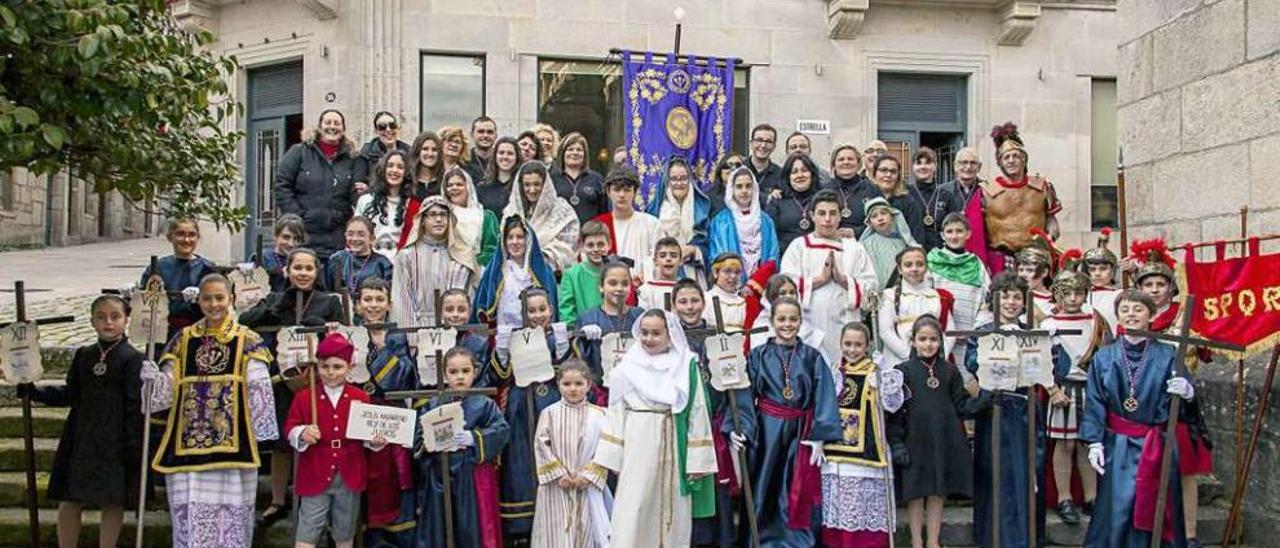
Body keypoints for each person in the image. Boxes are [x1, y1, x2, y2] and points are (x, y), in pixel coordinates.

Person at [144, 274, 278, 547]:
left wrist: (260, 427)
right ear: (199, 300)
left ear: (231, 299)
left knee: (229, 526)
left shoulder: (247, 339)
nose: (214, 304)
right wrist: (153, 380)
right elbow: (165, 393)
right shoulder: (183, 339)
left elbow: (259, 388)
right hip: (186, 446)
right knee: (190, 522)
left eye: (220, 297)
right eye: (207, 298)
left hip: (233, 445)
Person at [19, 294, 143, 548]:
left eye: (115, 316)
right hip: (82, 437)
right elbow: (70, 393)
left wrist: (134, 445)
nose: (108, 322)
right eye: (101, 317)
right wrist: (34, 391)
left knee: (112, 501)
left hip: (115, 440)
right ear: (92, 322)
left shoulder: (133, 358)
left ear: (126, 320)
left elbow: (134, 406)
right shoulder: (84, 355)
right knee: (70, 500)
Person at [591, 308, 717, 546]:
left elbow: (697, 411)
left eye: (656, 333)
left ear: (669, 334)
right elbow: (616, 411)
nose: (649, 339)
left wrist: (696, 459)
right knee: (634, 505)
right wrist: (614, 457)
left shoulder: (685, 365)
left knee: (671, 508)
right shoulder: (627, 367)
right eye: (645, 333)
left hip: (672, 441)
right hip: (637, 444)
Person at [239, 248, 346, 527]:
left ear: (316, 272)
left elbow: (342, 339)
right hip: (284, 380)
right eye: (297, 267)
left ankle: (314, 494)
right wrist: (270, 310)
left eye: (308, 268)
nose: (302, 273)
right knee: (282, 442)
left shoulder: (328, 301)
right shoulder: (276, 298)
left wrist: (321, 330)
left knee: (315, 437)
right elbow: (245, 322)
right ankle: (277, 500)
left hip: (318, 378)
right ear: (287, 270)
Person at [1081, 290, 1195, 548]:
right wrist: (1094, 442)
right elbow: (1095, 400)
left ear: (1152, 314)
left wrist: (1187, 392)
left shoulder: (1168, 355)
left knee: (1156, 506)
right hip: (1117, 447)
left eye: (1138, 309)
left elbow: (1184, 407)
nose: (1131, 314)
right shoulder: (1104, 357)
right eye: (1125, 309)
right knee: (1117, 507)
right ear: (1118, 315)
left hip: (1156, 445)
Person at [726, 297, 841, 546]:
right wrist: (740, 427)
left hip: (801, 433)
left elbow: (824, 394)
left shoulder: (812, 357)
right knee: (764, 487)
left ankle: (797, 541)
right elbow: (745, 396)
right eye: (782, 319)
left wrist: (820, 434)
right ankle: (758, 540)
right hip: (767, 431)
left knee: (794, 491)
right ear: (772, 321)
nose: (787, 324)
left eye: (793, 319)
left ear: (800, 322)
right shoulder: (757, 356)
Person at [1129, 238, 1213, 548]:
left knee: (1186, 472)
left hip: (1181, 401)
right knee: (1147, 471)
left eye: (1160, 284)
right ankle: (1151, 529)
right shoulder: (1135, 316)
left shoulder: (1186, 314)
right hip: (1146, 405)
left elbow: (1205, 352)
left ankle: (1189, 533)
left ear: (1170, 287)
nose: (1154, 289)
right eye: (1148, 283)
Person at [889, 316, 989, 548]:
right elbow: (895, 411)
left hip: (943, 439)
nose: (928, 344)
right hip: (914, 439)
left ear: (940, 342)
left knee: (937, 492)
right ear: (913, 341)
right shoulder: (901, 371)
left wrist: (983, 398)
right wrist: (896, 442)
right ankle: (916, 541)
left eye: (933, 339)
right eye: (922, 339)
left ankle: (933, 541)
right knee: (915, 493)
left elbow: (961, 404)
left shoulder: (950, 371)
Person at [964, 271, 1047, 548]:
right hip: (996, 410)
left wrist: (1047, 345)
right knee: (995, 476)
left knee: (1025, 476)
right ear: (994, 301)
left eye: (1016, 297)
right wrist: (1005, 347)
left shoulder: (1032, 331)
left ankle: (1024, 539)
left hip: (1024, 412)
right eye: (1005, 296)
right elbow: (975, 363)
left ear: (1024, 302)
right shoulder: (983, 333)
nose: (1011, 302)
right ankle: (992, 539)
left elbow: (1051, 367)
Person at [284, 332, 387, 548]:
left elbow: (366, 434)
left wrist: (374, 442)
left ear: (349, 367)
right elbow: (290, 428)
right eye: (325, 366)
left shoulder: (361, 397)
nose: (330, 373)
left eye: (337, 367)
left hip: (350, 471)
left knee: (345, 529)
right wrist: (301, 433)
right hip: (315, 470)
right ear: (317, 367)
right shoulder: (304, 397)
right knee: (308, 528)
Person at [489, 286, 573, 541]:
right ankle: (522, 528)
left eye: (542, 309)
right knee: (521, 465)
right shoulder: (515, 337)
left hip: (551, 406)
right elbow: (499, 377)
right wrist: (502, 353)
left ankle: (560, 523)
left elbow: (570, 375)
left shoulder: (557, 335)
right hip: (520, 411)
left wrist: (563, 350)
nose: (537, 315)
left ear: (551, 309)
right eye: (531, 311)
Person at [819, 322, 905, 548]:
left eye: (858, 344)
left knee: (863, 512)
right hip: (837, 457)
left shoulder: (875, 372)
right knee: (841, 512)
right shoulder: (834, 371)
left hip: (867, 457)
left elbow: (892, 405)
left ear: (867, 346)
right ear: (840, 344)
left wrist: (883, 379)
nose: (852, 349)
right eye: (847, 344)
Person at [414, 347, 510, 548]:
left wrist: (473, 438)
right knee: (442, 526)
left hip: (473, 475)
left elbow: (501, 430)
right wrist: (429, 442)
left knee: (473, 528)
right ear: (444, 373)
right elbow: (417, 441)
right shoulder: (432, 404)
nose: (459, 377)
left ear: (474, 372)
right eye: (453, 372)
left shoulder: (484, 403)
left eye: (465, 371)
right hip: (439, 476)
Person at [1042, 253, 1111, 525]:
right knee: (1065, 443)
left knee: (1088, 443)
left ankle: (1091, 497)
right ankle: (1064, 497)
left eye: (1079, 293)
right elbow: (1039, 360)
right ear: (1058, 294)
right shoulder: (1048, 323)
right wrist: (1051, 389)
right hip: (1063, 389)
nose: (1073, 299)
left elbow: (1106, 354)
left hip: (1091, 388)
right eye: (1067, 293)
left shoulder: (1096, 320)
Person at [352, 278, 419, 547]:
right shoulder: (351, 333)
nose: (373, 305)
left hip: (391, 416)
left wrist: (381, 349)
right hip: (360, 417)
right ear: (357, 305)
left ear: (389, 304)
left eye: (379, 300)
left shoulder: (397, 335)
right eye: (367, 300)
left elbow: (401, 379)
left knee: (394, 478)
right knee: (365, 479)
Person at [673, 280, 739, 548]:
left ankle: (720, 540)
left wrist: (733, 422)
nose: (690, 307)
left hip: (715, 423)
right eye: (683, 302)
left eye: (694, 300)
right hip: (684, 426)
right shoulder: (670, 340)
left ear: (703, 301)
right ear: (675, 305)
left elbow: (734, 381)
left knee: (717, 488)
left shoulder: (717, 335)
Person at [780, 189, 879, 362]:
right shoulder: (799, 246)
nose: (827, 219)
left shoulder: (854, 248)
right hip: (809, 325)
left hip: (846, 329)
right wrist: (819, 280)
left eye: (833, 213)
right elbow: (783, 288)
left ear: (841, 216)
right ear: (812, 215)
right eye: (822, 213)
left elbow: (872, 288)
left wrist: (843, 280)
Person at [530, 360, 614, 548]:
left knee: (587, 530)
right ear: (558, 385)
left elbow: (606, 448)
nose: (573, 389)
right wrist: (559, 474)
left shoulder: (600, 415)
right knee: (557, 532)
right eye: (566, 384)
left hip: (587, 486)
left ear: (588, 385)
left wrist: (589, 476)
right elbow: (541, 445)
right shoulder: (549, 413)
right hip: (556, 487)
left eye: (578, 384)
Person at [968, 123, 1063, 275]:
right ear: (1000, 162)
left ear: (1024, 159)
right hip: (1000, 260)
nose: (1011, 160)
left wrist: (1050, 237)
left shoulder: (1043, 186)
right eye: (1006, 157)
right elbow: (975, 232)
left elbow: (1051, 219)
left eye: (1016, 156)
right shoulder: (986, 191)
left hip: (1035, 258)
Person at [275, 108, 357, 257]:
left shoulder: (351, 159)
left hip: (336, 239)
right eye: (328, 122)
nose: (332, 126)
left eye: (337, 123)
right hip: (303, 236)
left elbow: (354, 192)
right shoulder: (299, 152)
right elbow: (282, 185)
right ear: (319, 127)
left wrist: (342, 216)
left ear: (343, 129)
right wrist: (298, 217)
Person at [391, 196, 480, 326]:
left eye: (443, 215)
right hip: (418, 329)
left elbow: (471, 297)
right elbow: (402, 301)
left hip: (457, 330)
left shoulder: (464, 256)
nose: (438, 219)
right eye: (432, 214)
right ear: (422, 220)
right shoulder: (406, 257)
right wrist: (412, 340)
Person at [473, 215, 559, 334]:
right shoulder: (494, 271)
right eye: (510, 237)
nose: (515, 242)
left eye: (520, 237)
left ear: (528, 240)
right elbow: (482, 305)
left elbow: (552, 304)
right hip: (504, 335)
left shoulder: (544, 271)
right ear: (504, 241)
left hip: (537, 335)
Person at [141, 217, 217, 344]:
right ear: (170, 237)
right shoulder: (158, 267)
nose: (186, 240)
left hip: (199, 332)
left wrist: (201, 295)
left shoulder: (208, 268)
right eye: (180, 234)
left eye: (191, 235)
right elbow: (144, 300)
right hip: (164, 334)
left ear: (198, 238)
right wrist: (133, 294)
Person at [927, 213, 991, 364]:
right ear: (942, 235)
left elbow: (987, 301)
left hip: (968, 337)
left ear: (968, 234)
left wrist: (974, 330)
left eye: (959, 231)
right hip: (938, 335)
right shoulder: (932, 261)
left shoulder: (976, 264)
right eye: (949, 231)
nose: (954, 236)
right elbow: (925, 296)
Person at [877, 247, 955, 366]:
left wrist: (939, 356)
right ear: (900, 269)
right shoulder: (889, 296)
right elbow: (886, 332)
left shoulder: (937, 297)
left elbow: (950, 333)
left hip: (933, 361)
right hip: (899, 361)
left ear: (926, 267)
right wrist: (909, 356)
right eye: (908, 265)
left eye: (919, 264)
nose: (914, 269)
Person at [574, 260, 644, 390]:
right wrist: (583, 337)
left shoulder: (640, 316)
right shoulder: (588, 318)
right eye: (613, 283)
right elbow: (579, 359)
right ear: (601, 286)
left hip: (634, 388)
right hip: (599, 391)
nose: (619, 288)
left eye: (624, 284)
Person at [707, 167, 780, 286]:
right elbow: (716, 256)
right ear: (731, 189)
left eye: (748, 186)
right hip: (730, 286)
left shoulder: (766, 221)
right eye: (739, 186)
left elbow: (773, 256)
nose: (744, 191)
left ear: (754, 189)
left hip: (761, 287)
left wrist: (756, 281)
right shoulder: (720, 222)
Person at [503, 161, 581, 272]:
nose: (532, 190)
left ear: (545, 184)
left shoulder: (562, 210)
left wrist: (540, 257)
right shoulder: (512, 210)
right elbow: (503, 242)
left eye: (536, 184)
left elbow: (568, 247)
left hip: (551, 275)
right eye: (527, 185)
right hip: (515, 274)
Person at [647, 156, 711, 283]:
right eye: (674, 179)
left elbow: (708, 245)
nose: (679, 183)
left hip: (693, 273)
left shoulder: (702, 209)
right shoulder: (655, 210)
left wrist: (694, 250)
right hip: (662, 275)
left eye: (683, 178)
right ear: (667, 181)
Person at [593, 165, 663, 275]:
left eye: (627, 190)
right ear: (608, 192)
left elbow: (659, 257)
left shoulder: (651, 224)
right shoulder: (598, 225)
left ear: (634, 192)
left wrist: (644, 274)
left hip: (644, 287)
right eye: (617, 190)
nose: (622, 195)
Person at [353, 150, 411, 256]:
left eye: (400, 167)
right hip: (369, 263)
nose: (394, 170)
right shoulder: (365, 201)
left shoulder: (411, 205)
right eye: (390, 165)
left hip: (399, 263)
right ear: (383, 170)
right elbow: (356, 234)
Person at [325, 216, 393, 306]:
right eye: (350, 234)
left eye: (361, 235)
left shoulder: (383, 263)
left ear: (372, 238)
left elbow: (388, 295)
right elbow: (327, 290)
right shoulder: (336, 259)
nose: (355, 238)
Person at [441, 166, 500, 267]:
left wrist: (472, 264)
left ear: (468, 187)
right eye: (450, 185)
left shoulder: (486, 216)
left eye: (459, 184)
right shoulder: (441, 216)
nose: (454, 188)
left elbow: (492, 248)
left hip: (479, 271)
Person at [766, 153, 822, 254]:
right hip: (786, 257)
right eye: (794, 172)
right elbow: (769, 235)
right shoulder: (777, 200)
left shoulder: (822, 198)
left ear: (812, 174)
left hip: (817, 256)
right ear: (788, 177)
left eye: (804, 170)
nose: (800, 175)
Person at [557, 220, 610, 326]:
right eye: (590, 245)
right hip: (583, 333)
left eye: (600, 244)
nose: (595, 249)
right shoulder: (571, 275)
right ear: (582, 246)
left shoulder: (615, 271)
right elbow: (566, 311)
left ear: (609, 244)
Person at [860, 197, 920, 288]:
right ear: (870, 223)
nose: (880, 218)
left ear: (892, 217)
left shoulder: (903, 241)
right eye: (874, 216)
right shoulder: (867, 243)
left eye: (883, 213)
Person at [822, 143, 879, 238]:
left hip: (864, 243)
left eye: (850, 159)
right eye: (841, 159)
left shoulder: (872, 189)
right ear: (834, 165)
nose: (846, 162)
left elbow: (880, 219)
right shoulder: (824, 190)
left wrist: (856, 232)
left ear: (858, 164)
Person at [868, 154, 925, 244]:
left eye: (893, 171)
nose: (888, 174)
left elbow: (917, 236)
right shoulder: (866, 198)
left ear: (898, 176)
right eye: (883, 170)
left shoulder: (909, 202)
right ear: (874, 173)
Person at [553, 132, 608, 224]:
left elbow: (604, 211)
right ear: (562, 153)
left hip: (590, 235)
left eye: (579, 150)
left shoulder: (597, 179)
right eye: (570, 149)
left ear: (585, 154)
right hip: (561, 235)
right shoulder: (552, 178)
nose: (575, 153)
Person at [353, 111, 411, 193]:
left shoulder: (409, 153)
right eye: (382, 127)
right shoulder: (365, 155)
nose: (388, 130)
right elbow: (357, 189)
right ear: (376, 131)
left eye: (392, 125)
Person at [253, 213, 307, 292]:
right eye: (286, 237)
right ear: (275, 236)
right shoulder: (262, 258)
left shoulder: (305, 260)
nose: (291, 243)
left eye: (296, 239)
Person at [1084, 228, 1122, 334]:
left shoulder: (1120, 295)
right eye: (1092, 269)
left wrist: (1134, 271)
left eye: (1103, 268)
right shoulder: (1082, 296)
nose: (1097, 273)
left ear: (1113, 270)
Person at [935, 147, 983, 228]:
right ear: (955, 166)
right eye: (964, 162)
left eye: (973, 163)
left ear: (979, 167)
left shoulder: (987, 190)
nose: (968, 167)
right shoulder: (941, 191)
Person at [703, 253, 751, 334]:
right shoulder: (705, 299)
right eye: (727, 271)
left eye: (737, 272)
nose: (733, 276)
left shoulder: (745, 303)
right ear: (716, 273)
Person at [908, 147, 945, 251]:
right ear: (913, 167)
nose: (923, 167)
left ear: (935, 166)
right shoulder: (905, 193)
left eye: (928, 163)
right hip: (912, 252)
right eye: (918, 163)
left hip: (940, 253)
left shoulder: (946, 195)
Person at [1015, 234, 1057, 322]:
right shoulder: (1011, 296)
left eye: (1029, 270)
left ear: (1044, 272)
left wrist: (1026, 298)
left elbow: (1045, 321)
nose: (1023, 274)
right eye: (1021, 270)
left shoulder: (1056, 300)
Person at [635, 237, 684, 311]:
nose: (668, 259)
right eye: (663, 255)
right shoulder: (646, 290)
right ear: (655, 261)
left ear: (681, 261)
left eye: (673, 255)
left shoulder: (686, 289)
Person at [478, 137, 522, 215]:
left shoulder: (522, 186)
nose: (505, 157)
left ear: (517, 157)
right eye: (501, 153)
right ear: (495, 156)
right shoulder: (483, 187)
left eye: (510, 153)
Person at [746, 124, 783, 200]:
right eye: (759, 140)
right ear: (751, 144)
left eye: (768, 141)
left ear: (774, 146)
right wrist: (766, 196)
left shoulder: (781, 174)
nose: (763, 145)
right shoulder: (739, 169)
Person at [707, 152, 744, 219]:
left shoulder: (751, 195)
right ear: (720, 171)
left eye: (738, 165)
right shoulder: (708, 198)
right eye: (728, 165)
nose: (733, 168)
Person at [408, 130, 444, 198]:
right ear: (417, 151)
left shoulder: (444, 182)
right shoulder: (407, 182)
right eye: (425, 149)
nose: (430, 154)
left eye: (434, 150)